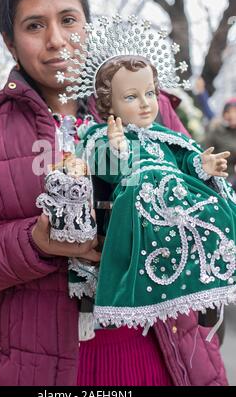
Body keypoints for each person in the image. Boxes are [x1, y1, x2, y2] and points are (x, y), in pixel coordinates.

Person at [0, 0, 228, 387]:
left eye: (69, 20)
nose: (56, 40)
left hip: (165, 349)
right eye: (34, 26)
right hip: (44, 363)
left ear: (88, 26)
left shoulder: (147, 103)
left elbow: (196, 193)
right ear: (10, 41)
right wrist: (35, 242)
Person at [79, 56, 236, 332]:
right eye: (131, 96)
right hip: (142, 201)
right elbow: (105, 168)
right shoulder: (105, 135)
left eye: (150, 93)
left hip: (181, 195)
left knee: (216, 212)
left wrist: (203, 164)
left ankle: (209, 290)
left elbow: (184, 159)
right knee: (154, 225)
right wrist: (117, 147)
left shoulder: (163, 135)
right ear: (108, 104)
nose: (144, 103)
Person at [205, 97, 236, 190]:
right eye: (230, 112)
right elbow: (205, 152)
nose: (232, 115)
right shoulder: (216, 131)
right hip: (222, 175)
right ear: (225, 115)